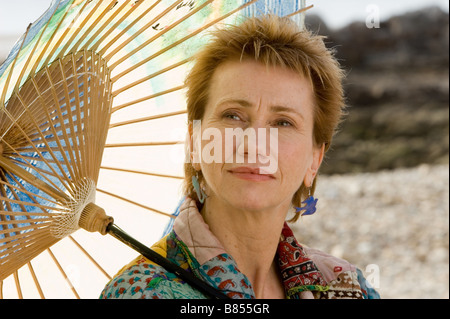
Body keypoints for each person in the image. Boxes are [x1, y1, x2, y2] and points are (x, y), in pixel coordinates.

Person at [100, 14, 380, 299]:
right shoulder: (139, 293)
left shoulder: (348, 287)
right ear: (195, 142)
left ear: (314, 160)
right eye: (232, 116)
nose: (253, 145)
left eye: (283, 122)